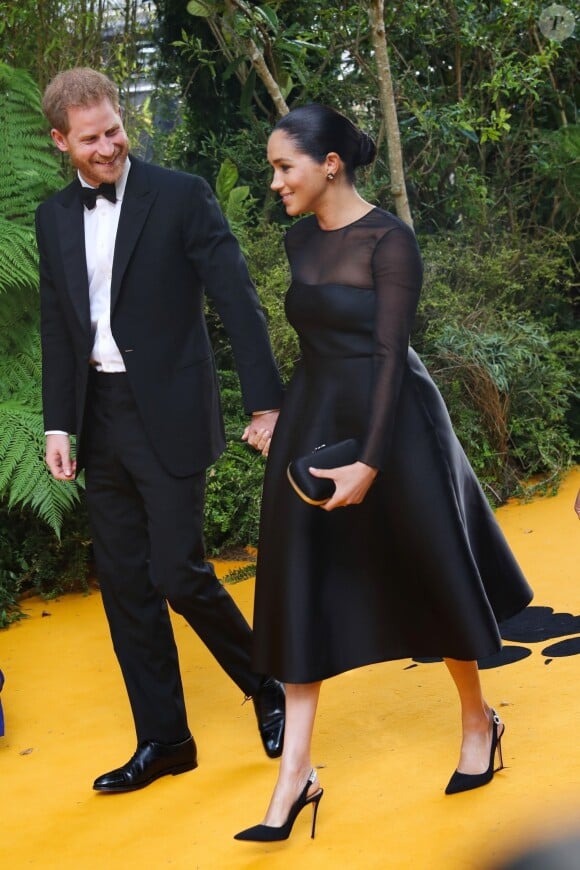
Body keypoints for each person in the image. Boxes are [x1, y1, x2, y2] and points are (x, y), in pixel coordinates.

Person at [235, 104, 533, 842]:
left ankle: (476, 718)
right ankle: (295, 777)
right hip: (314, 418)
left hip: (392, 423)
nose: (275, 182)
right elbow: (315, 339)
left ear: (328, 163)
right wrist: (279, 416)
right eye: (273, 168)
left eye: (284, 167)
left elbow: (387, 356)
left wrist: (369, 461)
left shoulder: (391, 241)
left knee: (428, 573)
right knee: (300, 583)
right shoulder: (298, 239)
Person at [36, 67, 286, 794]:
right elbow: (59, 326)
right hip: (99, 417)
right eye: (91, 139)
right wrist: (59, 424)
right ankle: (166, 740)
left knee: (178, 572)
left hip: (170, 411)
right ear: (61, 142)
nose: (109, 145)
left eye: (114, 129)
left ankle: (265, 682)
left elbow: (238, 301)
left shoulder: (181, 195)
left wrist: (265, 403)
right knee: (123, 586)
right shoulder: (53, 218)